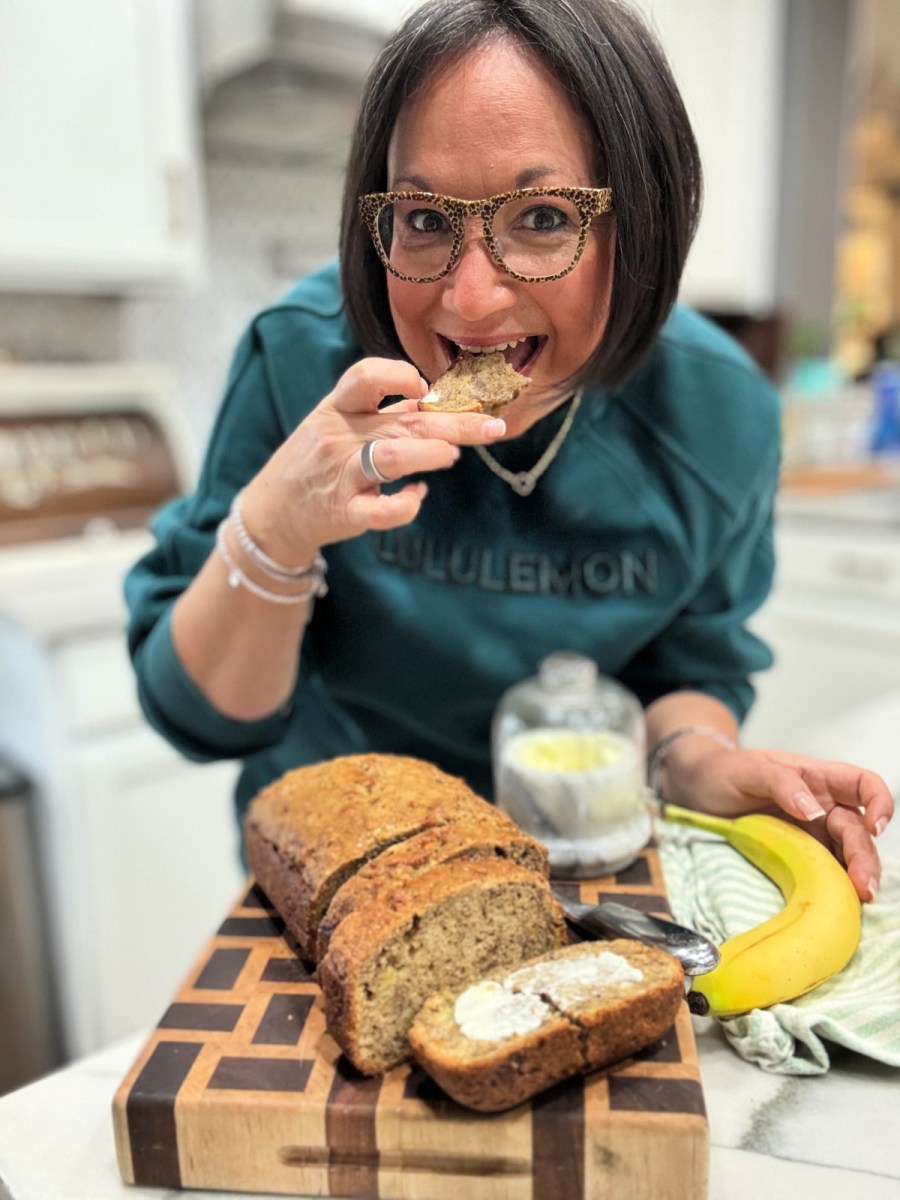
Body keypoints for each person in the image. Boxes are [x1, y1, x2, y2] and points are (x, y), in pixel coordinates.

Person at [125, 0, 892, 901]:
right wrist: (280, 524)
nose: (472, 298)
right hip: (335, 879)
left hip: (576, 873)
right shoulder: (303, 361)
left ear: (642, 221)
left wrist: (703, 763)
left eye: (541, 218)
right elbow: (199, 719)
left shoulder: (718, 415)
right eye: (422, 219)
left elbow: (688, 670)